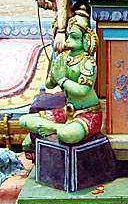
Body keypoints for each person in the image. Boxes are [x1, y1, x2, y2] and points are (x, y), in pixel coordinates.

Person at [19, 8, 103, 150]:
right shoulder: (64, 58)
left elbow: (82, 90)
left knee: (68, 135)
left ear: (86, 40)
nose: (69, 41)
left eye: (75, 37)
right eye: (69, 36)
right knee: (24, 121)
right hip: (67, 112)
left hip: (88, 114)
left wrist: (62, 78)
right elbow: (49, 85)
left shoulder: (87, 63)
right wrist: (54, 75)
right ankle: (57, 127)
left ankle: (56, 128)